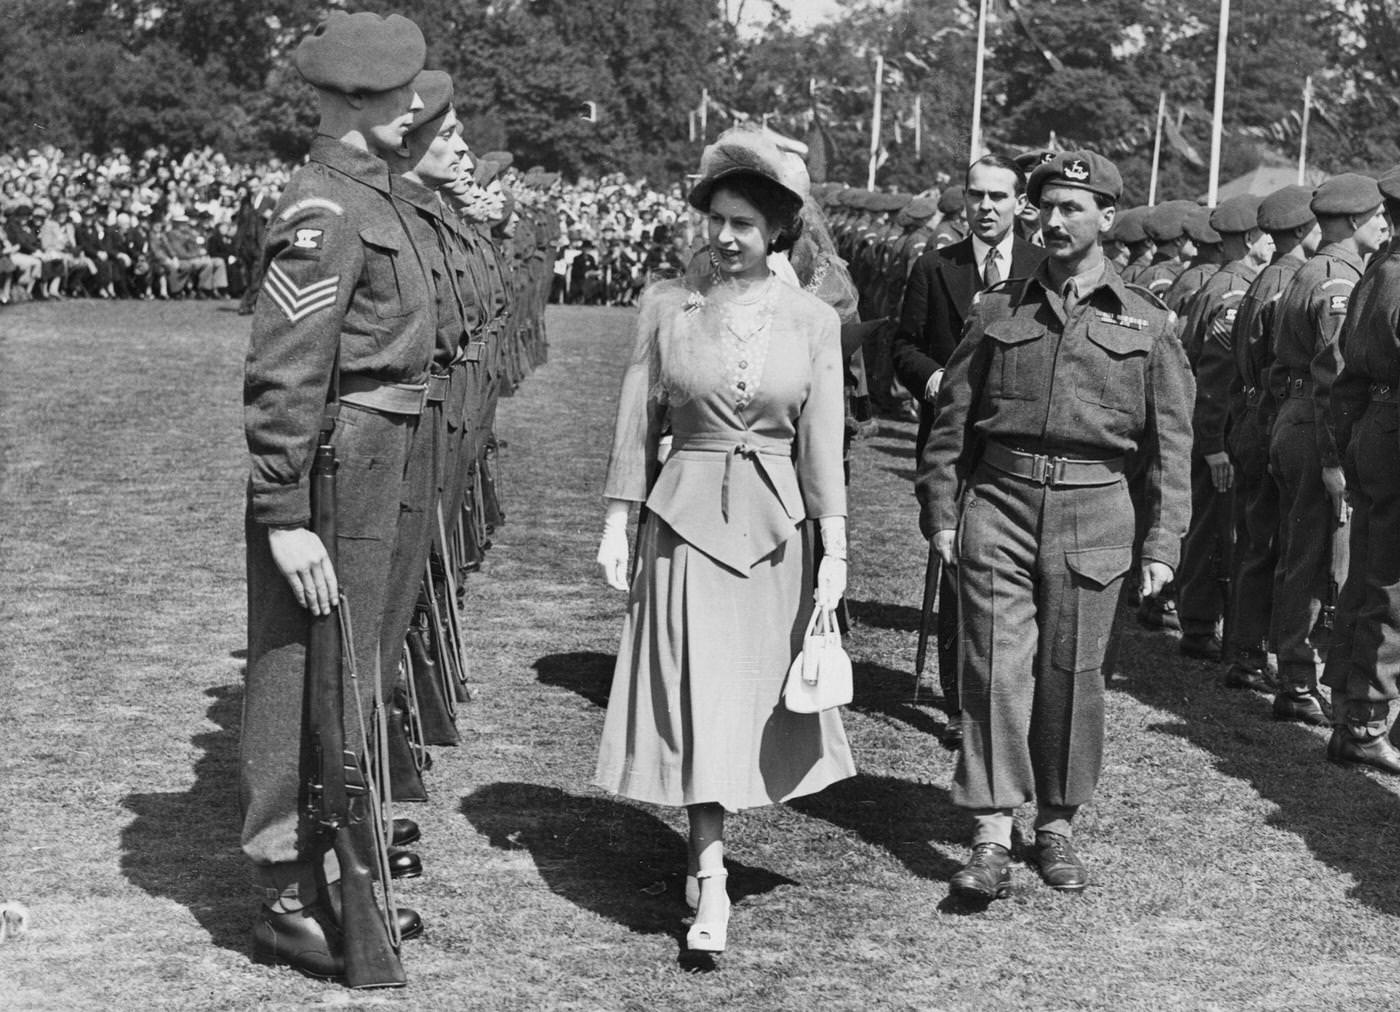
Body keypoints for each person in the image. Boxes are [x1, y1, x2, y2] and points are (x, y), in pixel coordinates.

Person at [594, 128, 856, 954]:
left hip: (776, 537)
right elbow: (638, 419)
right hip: (684, 529)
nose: (727, 236)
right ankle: (710, 876)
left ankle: (712, 851)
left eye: (746, 222)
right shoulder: (667, 309)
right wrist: (616, 519)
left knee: (747, 703)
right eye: (718, 219)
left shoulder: (814, 321)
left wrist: (836, 549)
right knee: (699, 698)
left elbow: (823, 438)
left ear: (778, 230)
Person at [916, 151, 1192, 901]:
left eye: (1076, 207)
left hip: (1095, 510)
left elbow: (1172, 444)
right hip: (999, 504)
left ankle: (1057, 824)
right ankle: (991, 831)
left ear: (1108, 217)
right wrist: (943, 512)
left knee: (1072, 675)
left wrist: (1163, 541)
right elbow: (952, 426)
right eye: (1050, 206)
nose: (1059, 220)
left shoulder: (1147, 321)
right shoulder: (997, 309)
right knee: (994, 667)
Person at [240, 11, 431, 981]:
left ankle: (328, 859)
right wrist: (282, 518)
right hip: (332, 465)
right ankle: (283, 887)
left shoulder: (374, 196)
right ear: (353, 103)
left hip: (378, 454)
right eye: (398, 95)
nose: (413, 110)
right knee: (293, 666)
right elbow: (284, 371)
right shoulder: (323, 208)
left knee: (347, 673)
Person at [893, 154, 1044, 748]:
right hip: (951, 444)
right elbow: (902, 345)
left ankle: (1012, 699)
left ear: (1019, 204)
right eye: (976, 196)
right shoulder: (936, 267)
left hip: (1012, 444)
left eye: (998, 198)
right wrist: (934, 380)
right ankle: (960, 706)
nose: (986, 208)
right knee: (957, 567)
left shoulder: (1041, 267)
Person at [1267, 174, 1387, 728]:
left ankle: (1294, 669)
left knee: (1303, 550)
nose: (1384, 224)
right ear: (1358, 221)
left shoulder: (1309, 270)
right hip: (1317, 426)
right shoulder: (1337, 279)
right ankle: (1295, 677)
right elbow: (1333, 374)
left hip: (1292, 418)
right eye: (1377, 216)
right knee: (1316, 556)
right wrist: (1334, 456)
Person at [1225, 185, 1319, 706]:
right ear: (1306, 231)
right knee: (1278, 545)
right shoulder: (1289, 281)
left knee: (1258, 542)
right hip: (1273, 414)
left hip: (1255, 414)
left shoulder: (1267, 278)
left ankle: (1244, 651)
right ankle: (1270, 662)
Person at [1321, 165, 1400, 770]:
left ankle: (1352, 708)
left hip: (1376, 429)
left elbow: (1346, 380)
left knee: (1371, 575)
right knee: (1391, 588)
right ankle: (1367, 722)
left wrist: (1351, 445)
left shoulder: (1379, 272)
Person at [1172, 194, 1272, 662]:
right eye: (1267, 235)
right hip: (1218, 428)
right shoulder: (1234, 294)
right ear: (1251, 239)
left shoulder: (1221, 283)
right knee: (1213, 526)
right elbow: (1212, 378)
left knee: (1208, 522)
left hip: (1210, 426)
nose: (1273, 243)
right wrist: (1213, 444)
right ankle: (1196, 625)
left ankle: (1196, 619)